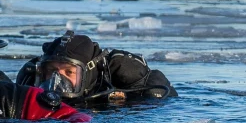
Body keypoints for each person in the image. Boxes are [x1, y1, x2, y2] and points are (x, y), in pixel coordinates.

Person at [15, 32, 176, 106]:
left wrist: (129, 101)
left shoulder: (122, 72)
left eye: (69, 72)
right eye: (52, 71)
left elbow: (166, 101)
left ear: (88, 71)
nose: (57, 79)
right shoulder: (29, 79)